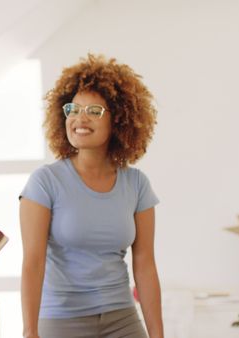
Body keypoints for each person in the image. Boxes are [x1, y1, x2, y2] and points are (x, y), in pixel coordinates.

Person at [19, 54, 163, 338]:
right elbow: (32, 263)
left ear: (119, 120)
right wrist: (29, 332)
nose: (79, 118)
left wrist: (157, 335)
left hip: (122, 318)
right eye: (73, 109)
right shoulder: (45, 182)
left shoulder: (137, 185)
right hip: (61, 320)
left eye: (94, 111)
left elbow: (145, 264)